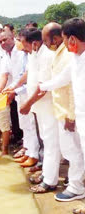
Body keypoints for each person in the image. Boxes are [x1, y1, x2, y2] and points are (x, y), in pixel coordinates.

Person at [36, 18, 85, 209]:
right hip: (80, 116)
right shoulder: (75, 58)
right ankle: (76, 186)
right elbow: (62, 79)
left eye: (65, 39)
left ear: (72, 39)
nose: (63, 44)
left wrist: (70, 115)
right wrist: (41, 86)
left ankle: (76, 187)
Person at [18, 29, 59, 193]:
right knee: (46, 140)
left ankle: (50, 181)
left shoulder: (47, 56)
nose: (22, 48)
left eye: (24, 44)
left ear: (34, 43)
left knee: (51, 143)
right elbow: (31, 78)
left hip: (47, 106)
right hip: (39, 107)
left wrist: (28, 103)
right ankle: (47, 174)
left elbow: (43, 87)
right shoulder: (34, 54)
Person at [0, 31, 39, 165]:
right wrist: (6, 89)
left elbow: (29, 76)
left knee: (31, 125)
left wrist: (14, 90)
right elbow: (12, 75)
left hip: (29, 93)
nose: (3, 43)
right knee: (24, 125)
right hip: (19, 92)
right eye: (0, 41)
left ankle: (34, 155)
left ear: (13, 38)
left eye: (5, 40)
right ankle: (28, 152)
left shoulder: (22, 52)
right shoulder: (6, 55)